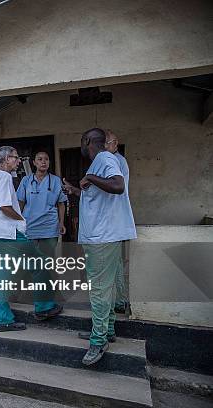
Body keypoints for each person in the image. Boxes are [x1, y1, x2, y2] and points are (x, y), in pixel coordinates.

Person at [62, 128, 136, 366]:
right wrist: (76, 189)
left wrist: (89, 178)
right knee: (108, 286)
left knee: (98, 290)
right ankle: (108, 330)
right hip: (105, 235)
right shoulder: (101, 162)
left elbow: (117, 186)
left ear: (87, 142)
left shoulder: (104, 158)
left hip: (102, 238)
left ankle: (98, 340)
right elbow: (97, 198)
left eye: (82, 143)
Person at [0, 146, 63, 332]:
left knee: (3, 275)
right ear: (5, 160)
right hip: (10, 233)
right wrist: (21, 219)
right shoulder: (4, 177)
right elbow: (5, 206)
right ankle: (44, 307)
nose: (19, 161)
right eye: (15, 158)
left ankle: (3, 320)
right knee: (39, 264)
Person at [17, 151, 68, 254]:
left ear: (49, 163)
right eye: (40, 159)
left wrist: (61, 223)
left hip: (49, 227)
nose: (43, 162)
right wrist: (17, 222)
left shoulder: (56, 181)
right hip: (29, 226)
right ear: (34, 163)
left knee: (47, 260)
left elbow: (61, 203)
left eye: (46, 159)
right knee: (30, 260)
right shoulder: (26, 181)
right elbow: (20, 203)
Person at [105, 130, 130, 314]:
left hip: (113, 219)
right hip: (113, 219)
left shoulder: (116, 161)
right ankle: (119, 301)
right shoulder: (113, 159)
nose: (105, 146)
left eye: (108, 143)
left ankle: (119, 301)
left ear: (116, 143)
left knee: (113, 264)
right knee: (116, 263)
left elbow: (115, 188)